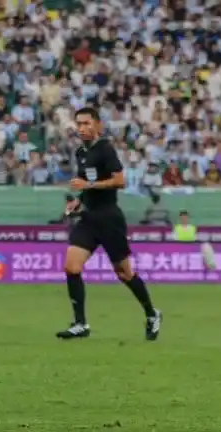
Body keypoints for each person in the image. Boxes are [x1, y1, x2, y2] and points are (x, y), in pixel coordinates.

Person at [57, 107, 162, 341]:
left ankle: (152, 313)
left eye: (87, 123)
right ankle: (80, 324)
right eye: (79, 124)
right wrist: (78, 201)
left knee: (124, 273)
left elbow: (120, 181)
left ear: (98, 125)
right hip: (89, 219)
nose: (82, 128)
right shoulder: (80, 153)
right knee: (72, 267)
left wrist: (87, 186)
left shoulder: (105, 149)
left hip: (109, 219)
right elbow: (88, 185)